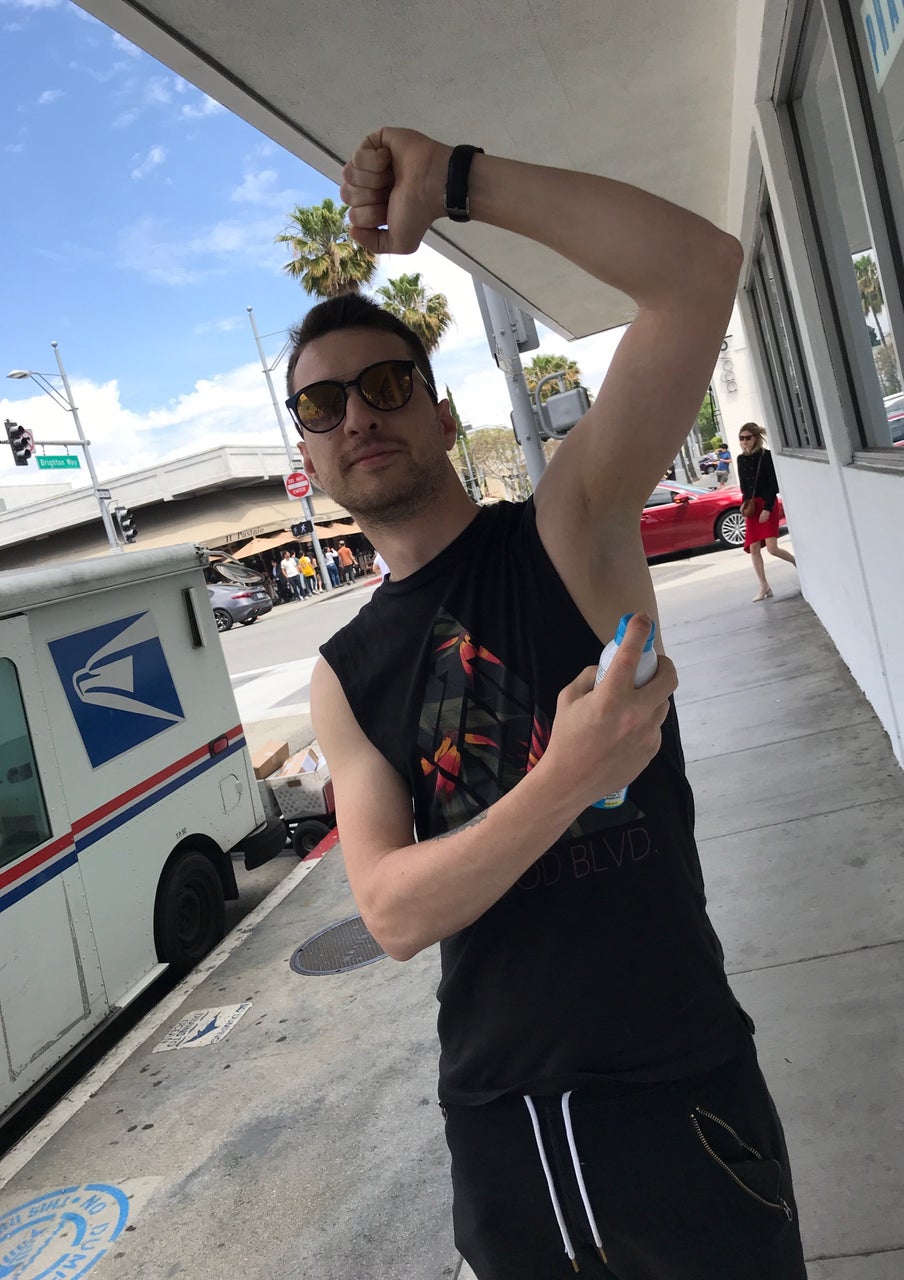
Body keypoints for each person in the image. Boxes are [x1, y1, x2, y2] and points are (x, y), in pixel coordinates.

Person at [291, 127, 806, 1279]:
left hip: (680, 1097)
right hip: (502, 1137)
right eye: (323, 405)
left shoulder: (571, 525)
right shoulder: (342, 673)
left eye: (385, 385)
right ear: (309, 456)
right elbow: (392, 911)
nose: (357, 415)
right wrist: (567, 776)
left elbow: (697, 274)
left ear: (439, 415)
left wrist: (459, 182)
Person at [736, 423, 797, 602]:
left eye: (748, 437)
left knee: (772, 548)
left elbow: (773, 484)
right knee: (753, 547)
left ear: (755, 438)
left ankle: (796, 562)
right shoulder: (740, 459)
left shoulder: (766, 456)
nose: (744, 441)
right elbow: (744, 486)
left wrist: (768, 508)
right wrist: (744, 505)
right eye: (741, 438)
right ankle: (764, 586)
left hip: (766, 503)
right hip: (752, 506)